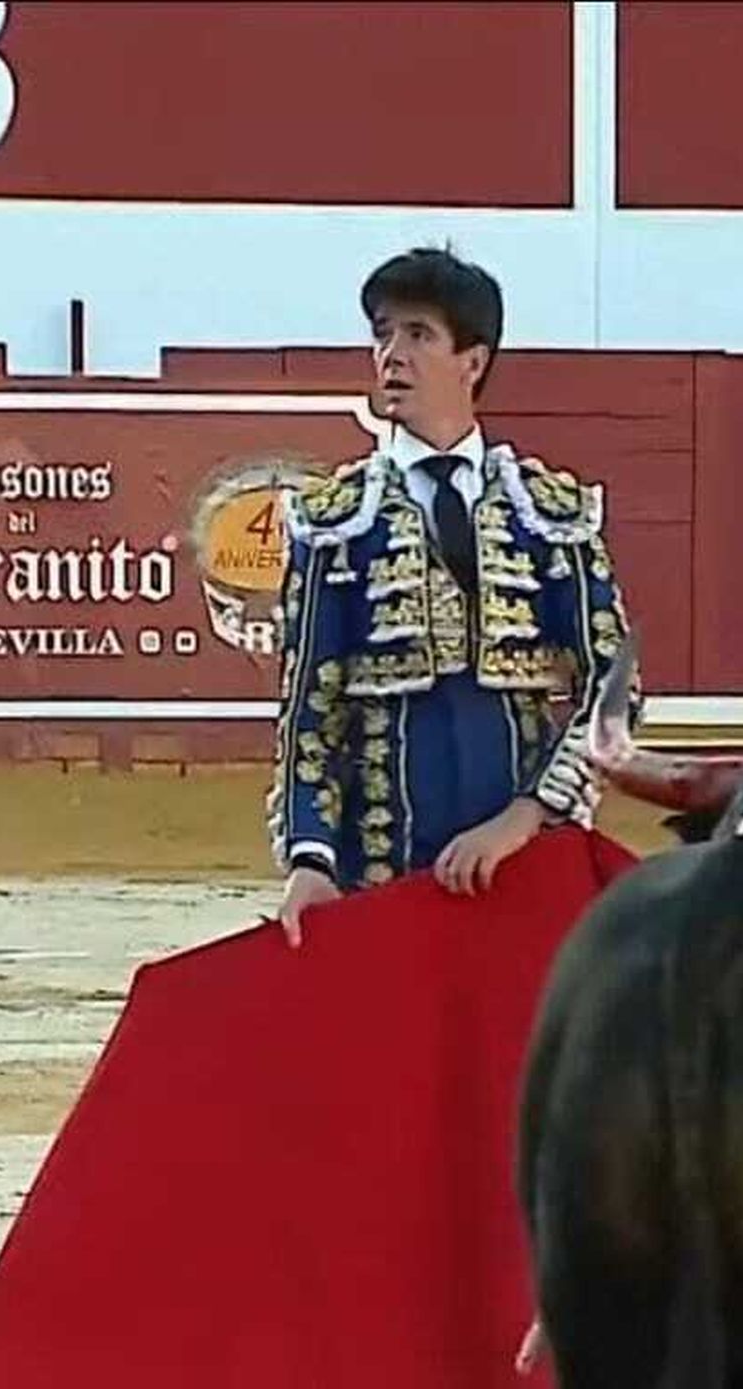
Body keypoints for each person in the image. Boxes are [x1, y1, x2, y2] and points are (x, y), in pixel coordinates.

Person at [266, 246, 640, 946]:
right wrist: (310, 858)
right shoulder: (336, 520)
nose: (391, 356)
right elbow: (308, 713)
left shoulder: (549, 513)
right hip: (383, 871)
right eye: (382, 334)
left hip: (524, 865)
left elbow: (616, 688)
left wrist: (526, 817)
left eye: (418, 335)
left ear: (473, 361)